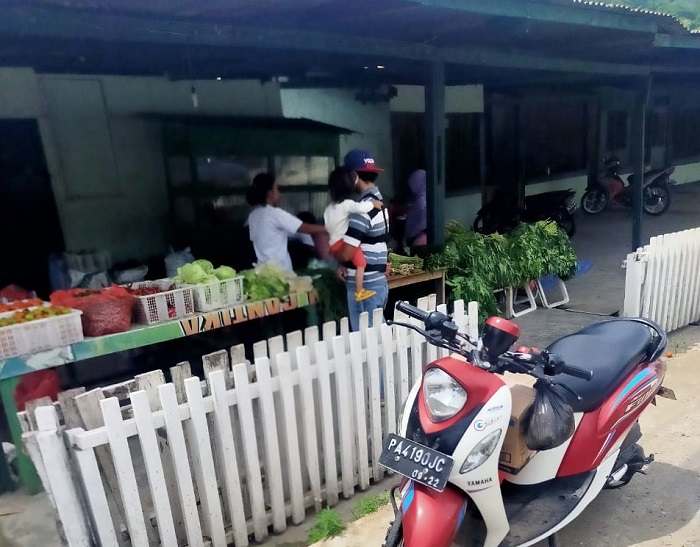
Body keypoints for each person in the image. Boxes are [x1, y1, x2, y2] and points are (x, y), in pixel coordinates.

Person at [333, 149, 390, 331]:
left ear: (354, 176)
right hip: (378, 283)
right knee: (379, 338)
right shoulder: (380, 203)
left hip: (365, 287)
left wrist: (337, 256)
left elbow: (347, 252)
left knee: (366, 340)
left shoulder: (363, 209)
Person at [324, 167, 383, 302]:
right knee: (361, 263)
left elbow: (327, 226)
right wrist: (373, 204)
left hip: (333, 243)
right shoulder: (348, 204)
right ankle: (359, 290)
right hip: (342, 243)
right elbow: (361, 208)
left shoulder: (328, 209)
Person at [246, 172, 326, 271]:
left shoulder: (253, 216)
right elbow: (303, 228)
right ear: (270, 193)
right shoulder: (275, 214)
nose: (279, 193)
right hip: (280, 271)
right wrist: (328, 228)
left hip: (262, 270)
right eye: (277, 189)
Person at [403, 169, 428, 248]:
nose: (411, 188)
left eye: (412, 184)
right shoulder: (426, 198)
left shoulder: (421, 202)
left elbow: (420, 225)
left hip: (418, 242)